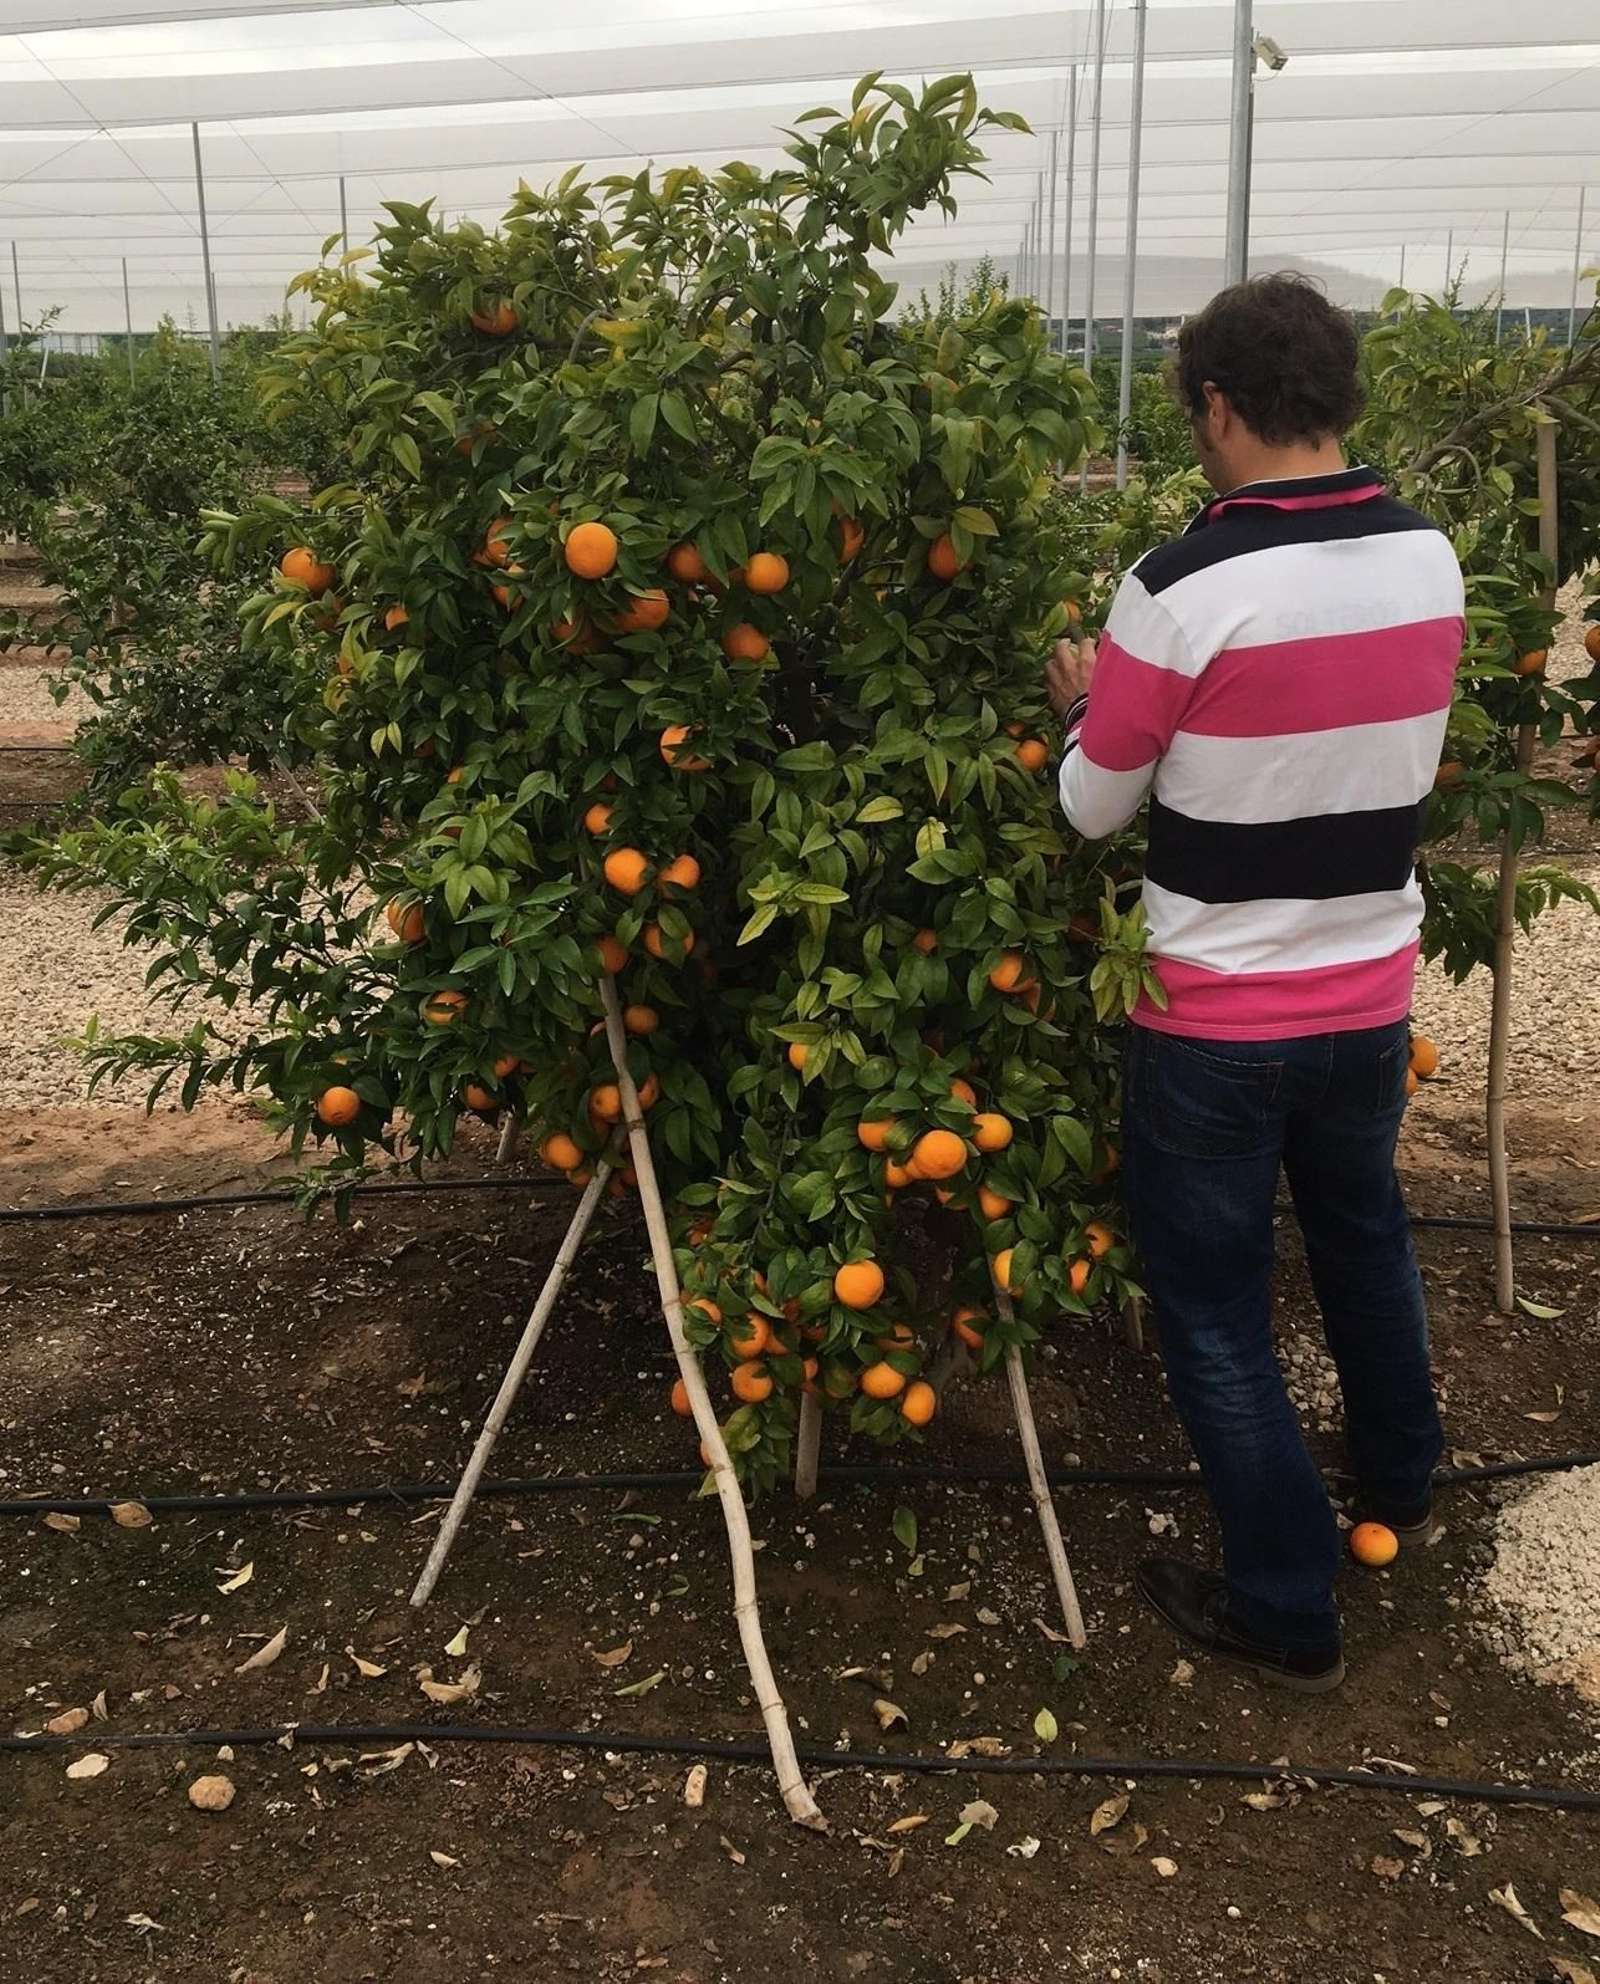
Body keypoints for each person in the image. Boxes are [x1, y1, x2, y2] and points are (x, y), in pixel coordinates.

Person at [1045, 273, 1465, 1692]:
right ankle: (1400, 1476)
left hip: (1217, 1013)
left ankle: (1287, 1595)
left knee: (1212, 1292)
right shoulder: (1433, 560)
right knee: (1361, 1230)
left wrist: (1081, 709)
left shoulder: (1177, 590)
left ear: (1218, 407)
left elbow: (1097, 808)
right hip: (1370, 993)